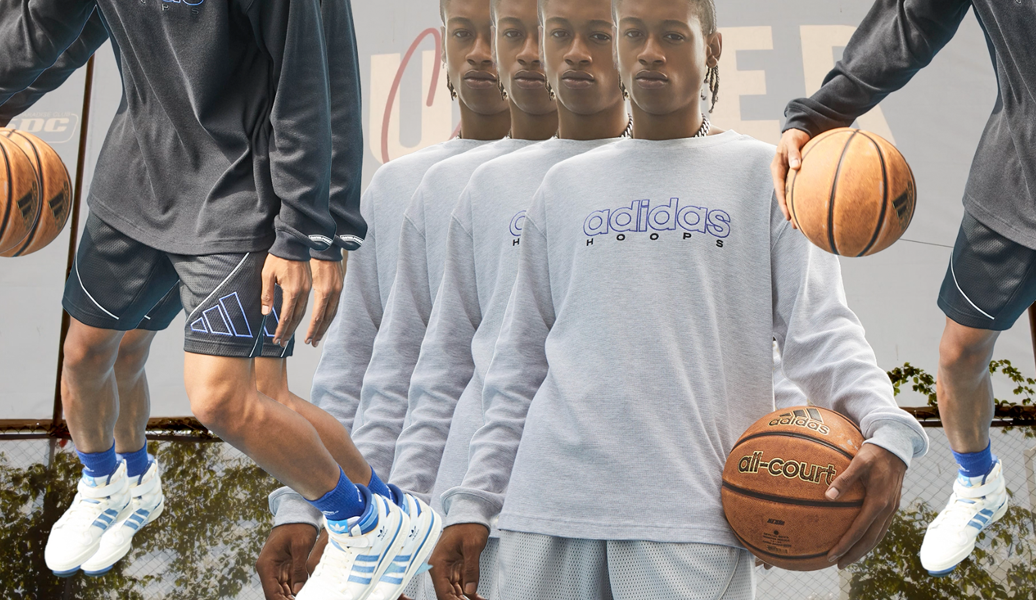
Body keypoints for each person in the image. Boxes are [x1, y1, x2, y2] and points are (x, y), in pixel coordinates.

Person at [430, 0, 929, 597]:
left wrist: (885, 427)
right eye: (633, 33)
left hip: (689, 519)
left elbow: (820, 332)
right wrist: (474, 500)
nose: (648, 52)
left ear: (711, 47)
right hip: (548, 508)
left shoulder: (764, 178)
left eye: (671, 34)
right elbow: (516, 364)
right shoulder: (563, 186)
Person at [0, 3, 406, 598]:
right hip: (136, 182)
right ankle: (115, 481)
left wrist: (312, 228)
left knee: (235, 397)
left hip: (237, 194)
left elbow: (315, 79)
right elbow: (43, 28)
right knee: (89, 355)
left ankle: (375, 522)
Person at [770, 0, 1036, 576]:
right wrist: (816, 116)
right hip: (1018, 168)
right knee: (959, 353)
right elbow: (910, 21)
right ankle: (978, 485)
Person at [256, 0, 512, 595]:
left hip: (547, 513)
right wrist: (304, 505)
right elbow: (355, 365)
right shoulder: (398, 188)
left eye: (502, 32)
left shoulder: (582, 184)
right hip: (409, 522)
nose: (479, 51)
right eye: (463, 33)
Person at [391, 0, 629, 596]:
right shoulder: (475, 186)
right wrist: (406, 508)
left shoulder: (690, 178)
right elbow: (435, 365)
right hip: (487, 499)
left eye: (598, 34)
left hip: (631, 502)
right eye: (518, 34)